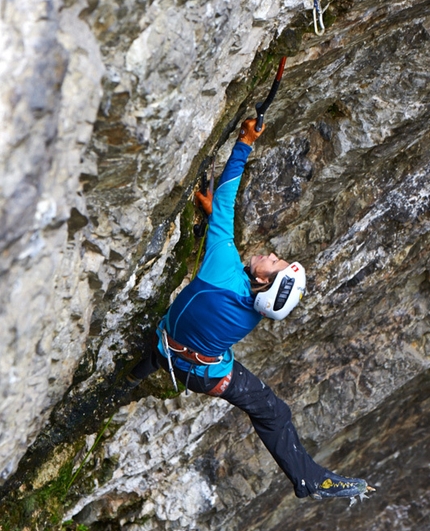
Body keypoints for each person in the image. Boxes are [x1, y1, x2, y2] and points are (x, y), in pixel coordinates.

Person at [128, 118, 374, 501]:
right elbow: (226, 255)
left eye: (274, 263)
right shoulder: (251, 308)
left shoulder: (224, 270)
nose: (273, 254)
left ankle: (129, 379)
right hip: (205, 376)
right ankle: (308, 479)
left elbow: (226, 196)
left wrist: (244, 141)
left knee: (158, 348)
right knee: (273, 413)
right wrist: (214, 220)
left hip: (166, 347)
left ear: (263, 283)